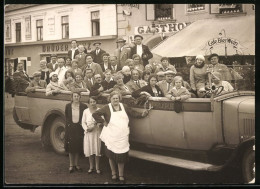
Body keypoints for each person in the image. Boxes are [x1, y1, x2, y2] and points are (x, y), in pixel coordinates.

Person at [92, 91, 149, 183]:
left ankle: (121, 175)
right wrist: (103, 122)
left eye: (117, 98)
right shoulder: (107, 108)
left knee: (121, 156)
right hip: (112, 135)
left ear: (119, 99)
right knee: (111, 155)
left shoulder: (124, 106)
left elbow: (133, 113)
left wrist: (142, 114)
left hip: (122, 135)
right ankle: (114, 173)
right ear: (110, 99)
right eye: (113, 98)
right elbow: (95, 114)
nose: (115, 100)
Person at [64, 91, 88, 173]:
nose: (76, 97)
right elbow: (66, 117)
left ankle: (77, 165)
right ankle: (71, 165)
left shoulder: (84, 106)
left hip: (79, 129)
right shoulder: (68, 106)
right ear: (72, 97)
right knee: (71, 148)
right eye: (75, 96)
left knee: (77, 147)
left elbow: (85, 117)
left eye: (78, 96)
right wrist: (68, 127)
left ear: (80, 97)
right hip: (71, 129)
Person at [81, 96, 102, 174]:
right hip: (89, 133)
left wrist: (96, 125)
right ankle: (91, 167)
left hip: (96, 133)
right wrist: (86, 129)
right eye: (91, 102)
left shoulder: (99, 110)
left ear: (96, 102)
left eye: (94, 101)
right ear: (89, 103)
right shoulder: (85, 111)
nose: (93, 103)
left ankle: (97, 167)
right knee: (90, 150)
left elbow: (101, 121)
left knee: (96, 150)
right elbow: (83, 122)